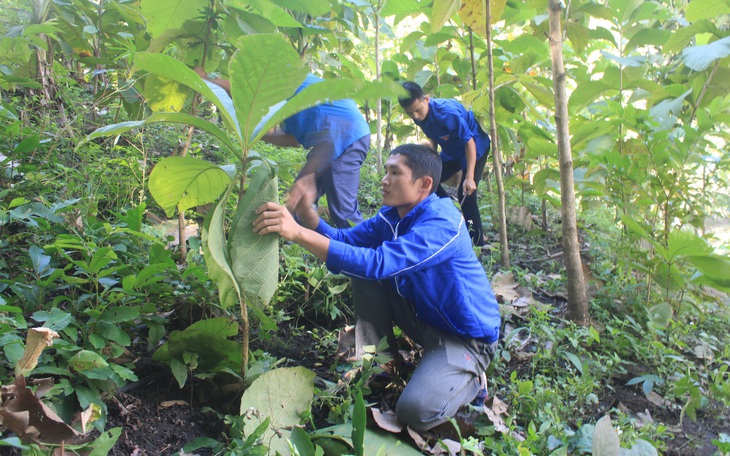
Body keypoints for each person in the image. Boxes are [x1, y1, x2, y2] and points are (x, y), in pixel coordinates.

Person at [252, 144, 501, 432]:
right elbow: (346, 241)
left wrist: (297, 233)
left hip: (464, 337)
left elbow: (378, 263)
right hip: (425, 319)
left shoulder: (443, 223)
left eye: (395, 173)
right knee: (363, 273)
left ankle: (471, 379)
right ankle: (380, 366)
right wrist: (308, 217)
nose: (385, 179)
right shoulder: (392, 216)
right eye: (386, 171)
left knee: (414, 411)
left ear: (424, 184)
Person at [195, 69, 371, 228]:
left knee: (342, 211)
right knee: (298, 202)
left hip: (345, 135)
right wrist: (257, 133)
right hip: (332, 140)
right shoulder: (291, 106)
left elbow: (244, 91)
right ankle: (290, 245)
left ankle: (365, 255)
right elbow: (292, 139)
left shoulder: (286, 79)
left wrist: (205, 80)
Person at [398, 81, 490, 246]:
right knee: (428, 180)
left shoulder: (447, 114)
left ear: (426, 99)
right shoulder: (417, 115)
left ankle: (478, 243)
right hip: (452, 149)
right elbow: (433, 133)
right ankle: (452, 215)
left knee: (466, 195)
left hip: (475, 147)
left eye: (418, 111)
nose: (416, 116)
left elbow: (469, 143)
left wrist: (469, 177)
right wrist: (432, 161)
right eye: (410, 113)